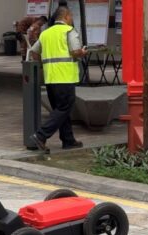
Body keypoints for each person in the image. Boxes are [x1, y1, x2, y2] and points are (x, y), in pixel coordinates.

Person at [29, 7, 87, 151]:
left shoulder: (45, 33)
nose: (72, 18)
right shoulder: (69, 31)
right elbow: (74, 51)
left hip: (50, 78)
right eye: (71, 15)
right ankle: (41, 135)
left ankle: (68, 140)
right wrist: (82, 52)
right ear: (66, 16)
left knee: (60, 109)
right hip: (65, 77)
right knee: (64, 108)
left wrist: (45, 64)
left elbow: (34, 53)